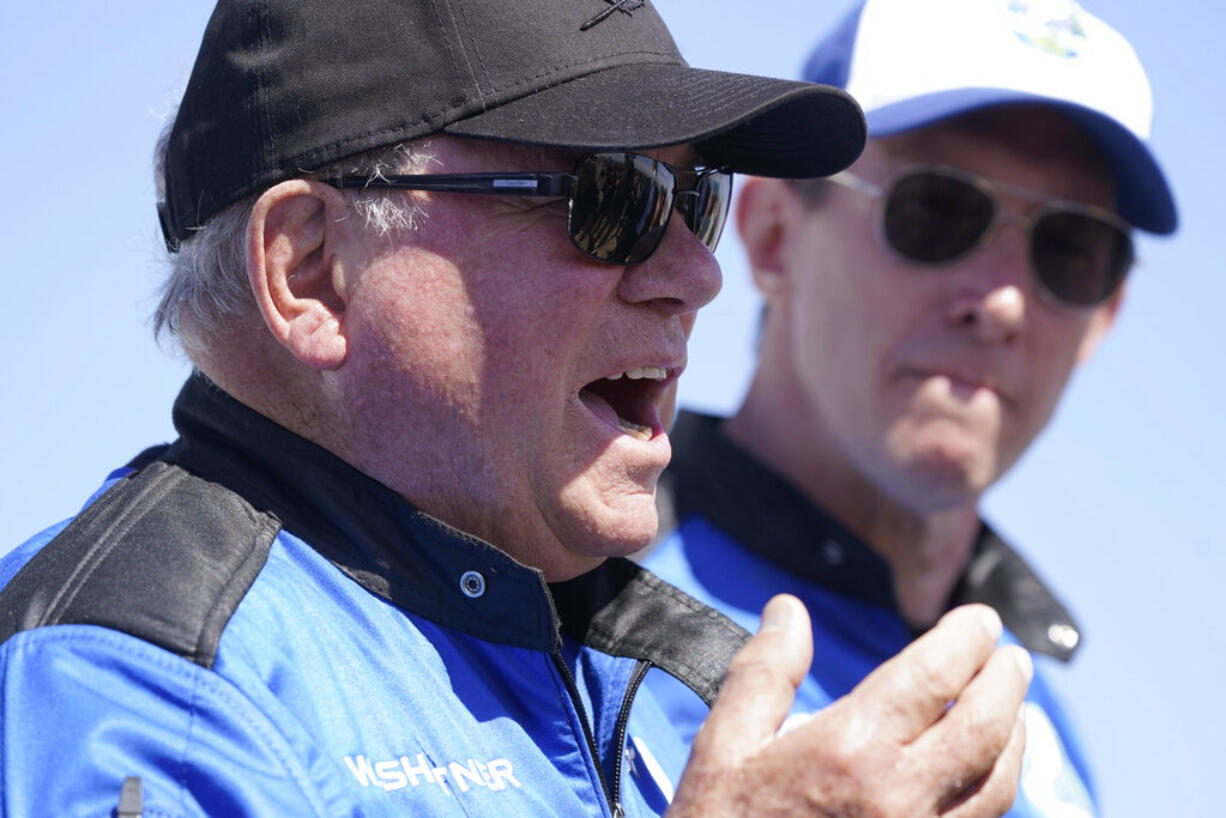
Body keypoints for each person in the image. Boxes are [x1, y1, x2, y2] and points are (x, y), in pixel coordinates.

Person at [0, 1, 1033, 816]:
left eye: (694, 200)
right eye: (611, 198)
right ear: (309, 269)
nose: (692, 271)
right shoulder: (122, 689)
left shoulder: (662, 685)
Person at [641, 0, 1177, 816]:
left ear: (1103, 319)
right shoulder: (563, 597)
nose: (1001, 302)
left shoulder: (1048, 739)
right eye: (937, 211)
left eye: (1070, 249)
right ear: (774, 234)